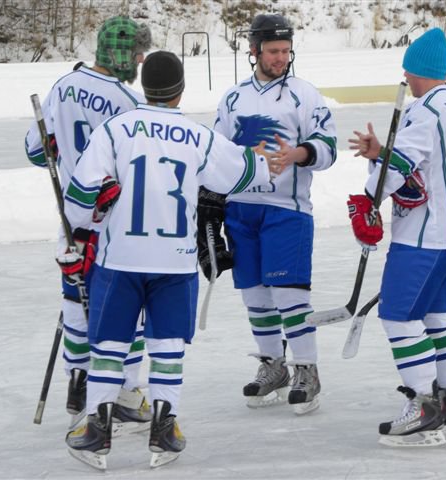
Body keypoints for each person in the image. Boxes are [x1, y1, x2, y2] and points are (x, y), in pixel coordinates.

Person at [62, 51, 275, 469]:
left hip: (119, 257)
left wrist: (90, 218)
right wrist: (265, 160)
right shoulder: (197, 135)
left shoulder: (115, 130)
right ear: (180, 90)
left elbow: (78, 199)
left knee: (109, 344)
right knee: (167, 345)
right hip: (175, 262)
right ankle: (165, 425)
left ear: (143, 86)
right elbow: (243, 172)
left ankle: (97, 428)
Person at [348, 27, 446, 446]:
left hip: (423, 237)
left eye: (407, 71)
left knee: (397, 315)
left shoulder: (424, 110)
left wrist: (372, 195)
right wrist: (382, 153)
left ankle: (423, 405)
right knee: (441, 316)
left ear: (415, 70)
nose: (405, 80)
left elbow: (399, 169)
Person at [198, 13, 337, 415]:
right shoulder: (233, 98)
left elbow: (327, 147)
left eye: (286, 51)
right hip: (242, 210)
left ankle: (307, 370)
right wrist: (209, 205)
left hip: (286, 210)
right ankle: (272, 365)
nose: (281, 58)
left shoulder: (304, 94)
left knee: (289, 295)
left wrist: (298, 153)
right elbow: (215, 154)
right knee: (256, 296)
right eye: (274, 51)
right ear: (255, 50)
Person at [24, 16, 153, 429]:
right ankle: (127, 391)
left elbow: (34, 151)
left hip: (71, 220)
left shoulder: (62, 86)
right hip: (116, 224)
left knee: (74, 305)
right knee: (128, 309)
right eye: (137, 52)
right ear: (121, 54)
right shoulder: (128, 104)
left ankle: (79, 379)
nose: (140, 60)